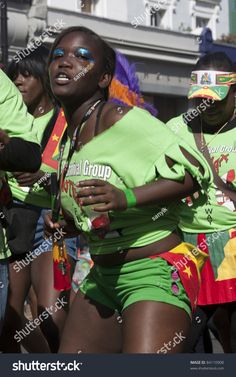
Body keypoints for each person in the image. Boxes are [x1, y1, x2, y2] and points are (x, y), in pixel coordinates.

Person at [45, 26, 213, 353]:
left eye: (81, 57)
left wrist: (126, 198)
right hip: (102, 274)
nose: (64, 63)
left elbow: (196, 172)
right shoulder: (69, 135)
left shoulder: (121, 119)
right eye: (57, 56)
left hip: (153, 269)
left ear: (104, 78)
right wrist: (69, 223)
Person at [0, 46, 78, 353]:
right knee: (11, 319)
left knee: (49, 312)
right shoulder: (11, 120)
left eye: (27, 74)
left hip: (50, 224)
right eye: (14, 75)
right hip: (14, 220)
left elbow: (86, 173)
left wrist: (47, 179)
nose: (19, 81)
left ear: (44, 79)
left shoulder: (66, 122)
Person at [166, 52, 236, 352]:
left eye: (216, 100)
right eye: (200, 99)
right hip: (186, 251)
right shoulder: (173, 129)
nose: (206, 108)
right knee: (184, 341)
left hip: (231, 249)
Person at [0, 67, 41, 336]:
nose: (19, 81)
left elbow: (29, 154)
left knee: (43, 308)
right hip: (15, 210)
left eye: (28, 75)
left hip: (36, 216)